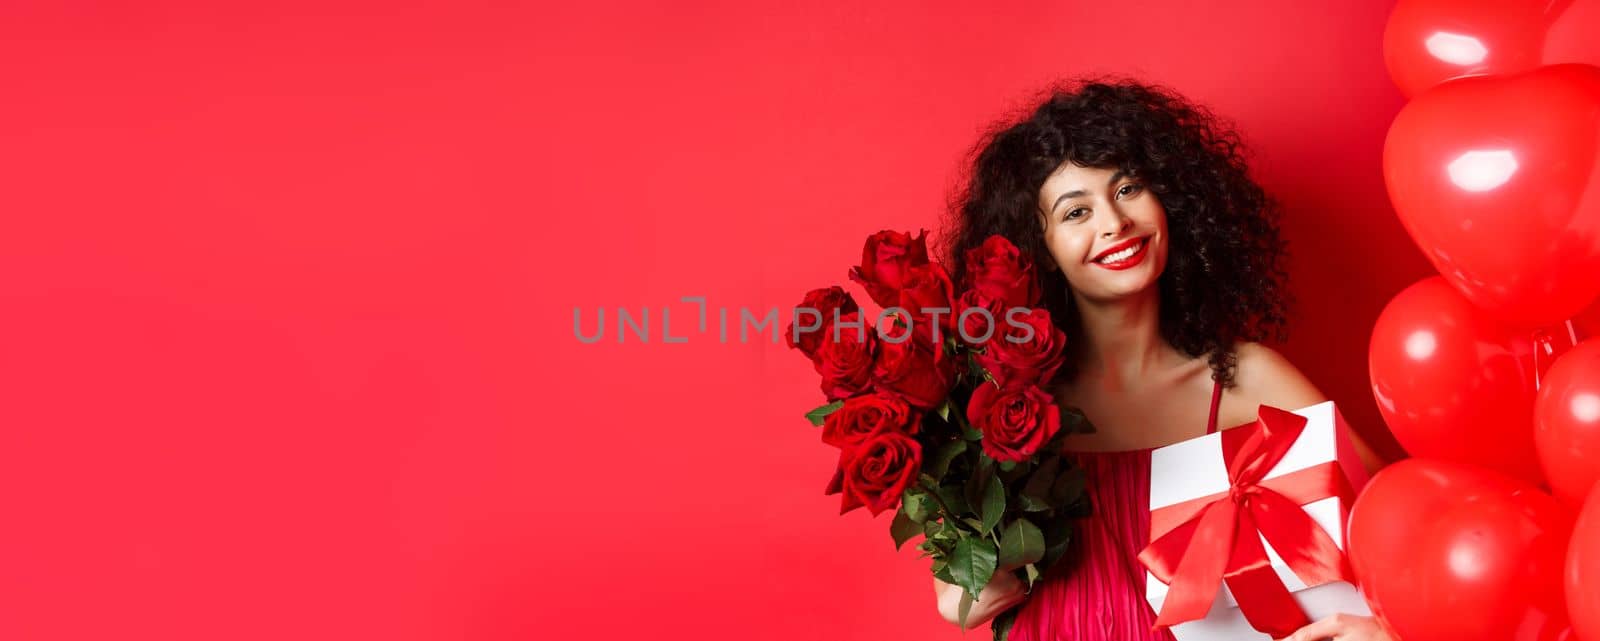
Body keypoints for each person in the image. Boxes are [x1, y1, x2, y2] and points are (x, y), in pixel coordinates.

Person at [929, 77, 1390, 641]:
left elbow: (1398, 522)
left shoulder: (1245, 380)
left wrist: (1382, 629)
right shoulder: (1004, 405)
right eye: (1076, 213)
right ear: (1038, 250)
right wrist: (963, 593)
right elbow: (958, 596)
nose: (1114, 223)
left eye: (1127, 190)